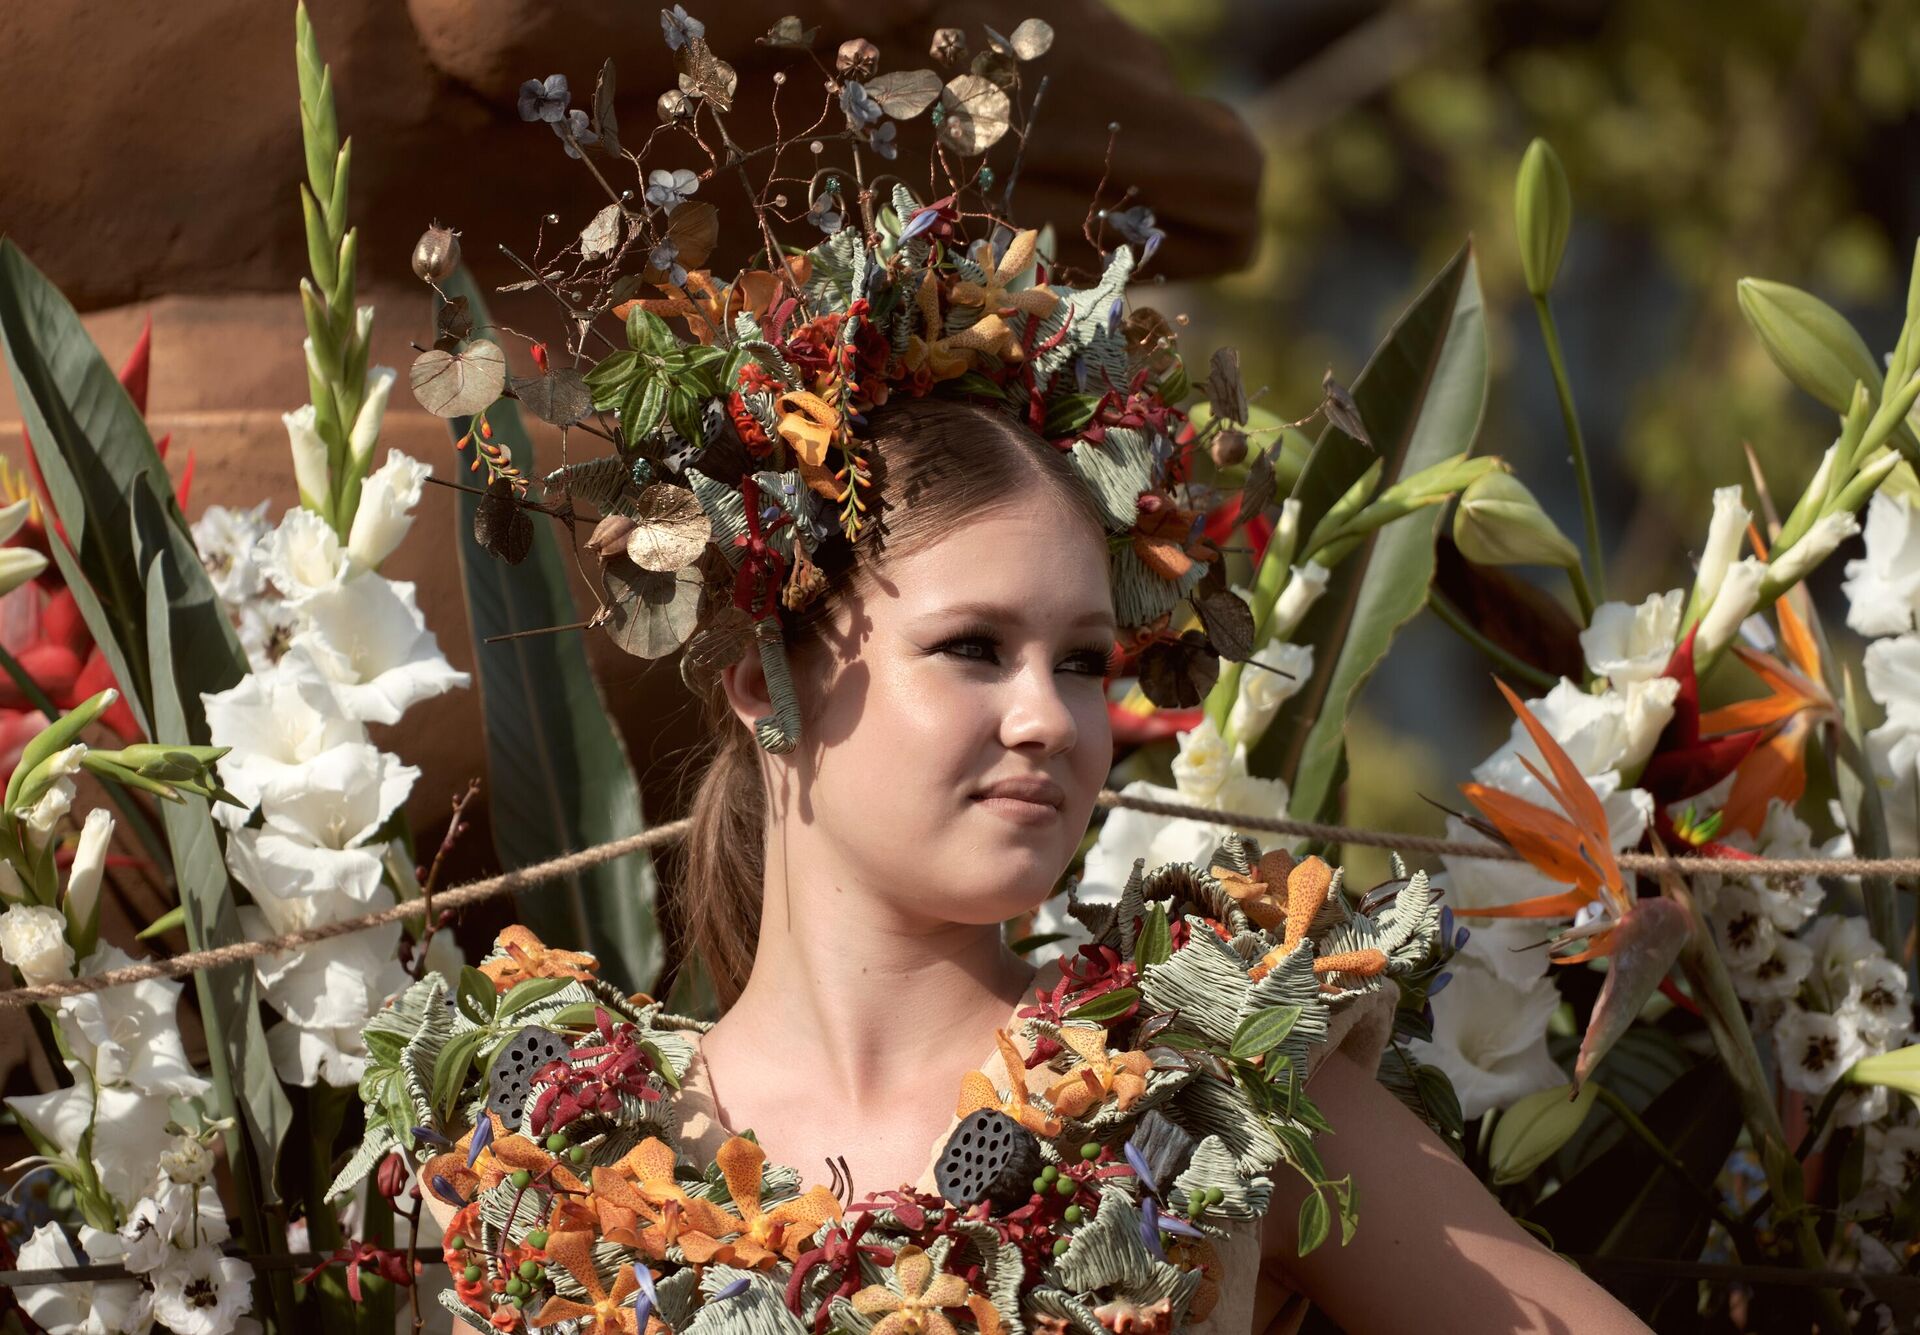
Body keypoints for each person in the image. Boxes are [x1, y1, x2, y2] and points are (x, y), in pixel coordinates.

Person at [665, 394, 1650, 1334]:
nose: (1049, 717)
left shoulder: (1194, 1085)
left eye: (1084, 663)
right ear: (765, 681)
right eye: (974, 647)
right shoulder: (572, 1144)